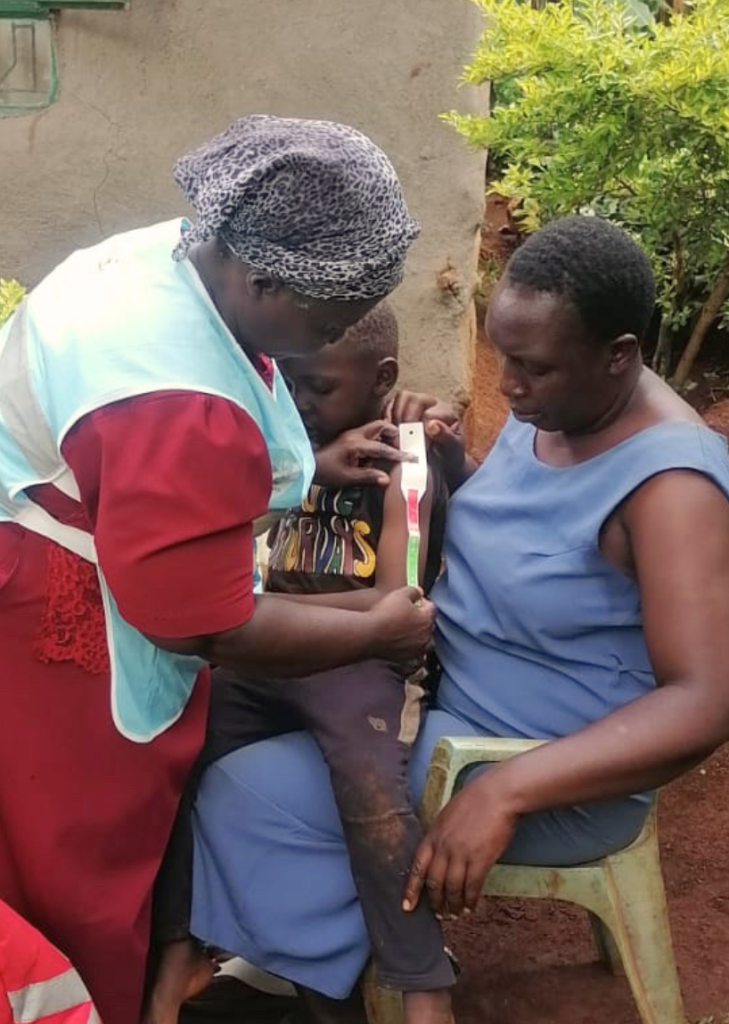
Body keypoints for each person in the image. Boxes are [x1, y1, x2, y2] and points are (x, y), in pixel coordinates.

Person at [0, 115, 438, 1024]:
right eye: (330, 317)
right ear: (260, 275)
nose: (334, 335)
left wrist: (309, 467)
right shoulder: (177, 405)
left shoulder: (173, 254)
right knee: (18, 837)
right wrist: (378, 629)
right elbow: (203, 625)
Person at [186, 215, 729, 1019]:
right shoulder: (560, 406)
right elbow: (513, 525)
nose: (506, 382)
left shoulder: (672, 487)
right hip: (445, 704)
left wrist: (505, 790)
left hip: (539, 765)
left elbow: (705, 700)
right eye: (502, 353)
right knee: (238, 713)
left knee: (238, 789)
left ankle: (349, 969)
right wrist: (440, 456)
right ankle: (319, 942)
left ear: (617, 355)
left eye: (531, 366)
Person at [146, 304, 455, 1024]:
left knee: (373, 797)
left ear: (382, 380)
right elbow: (218, 526)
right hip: (271, 653)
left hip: (363, 665)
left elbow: (396, 604)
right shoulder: (284, 439)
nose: (302, 402)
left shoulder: (405, 453)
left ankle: (421, 983)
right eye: (290, 383)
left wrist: (270, 618)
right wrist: (306, 467)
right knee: (174, 752)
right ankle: (178, 953)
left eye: (319, 388)